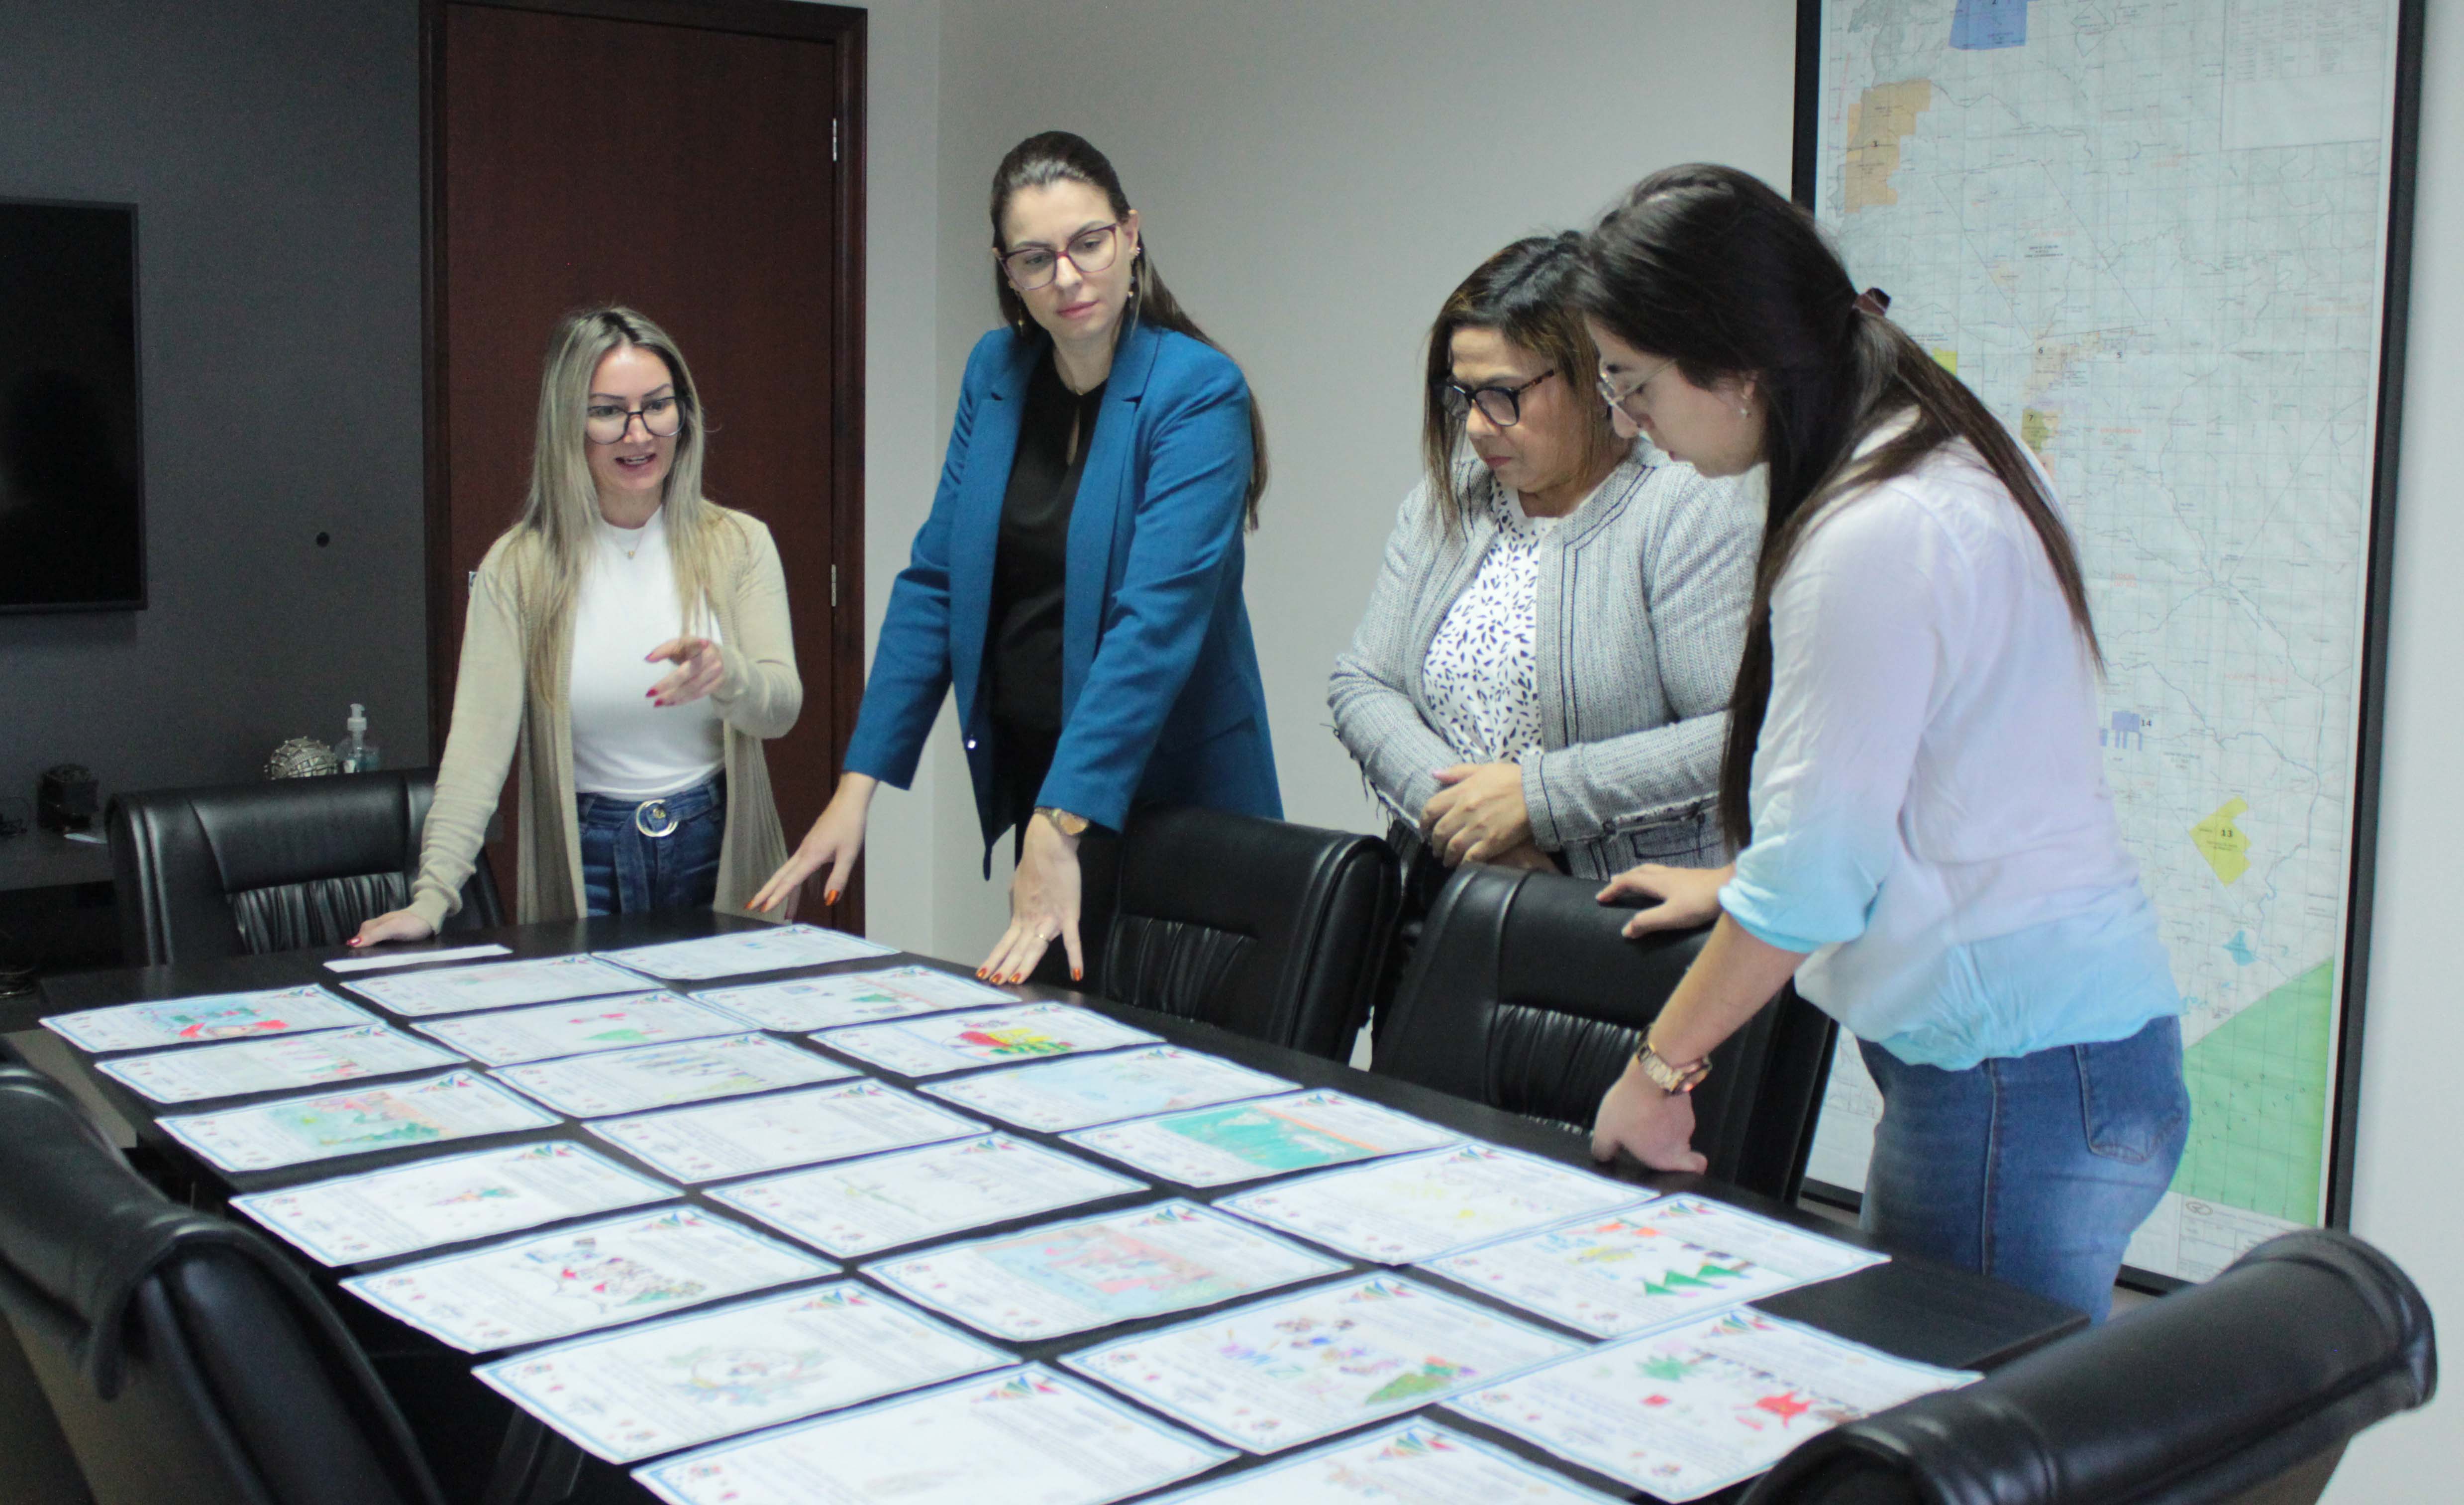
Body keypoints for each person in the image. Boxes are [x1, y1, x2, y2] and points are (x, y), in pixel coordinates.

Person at [1577, 166, 2186, 1320]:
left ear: (1738, 364)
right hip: (2072, 1058)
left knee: (1946, 1455)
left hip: (2013, 1088)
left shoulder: (1872, 532)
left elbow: (1816, 880)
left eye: (1634, 384)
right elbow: (1943, 776)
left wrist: (1654, 1075)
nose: (1625, 422)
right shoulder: (1939, 454)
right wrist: (1736, 881)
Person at [751, 131, 1277, 986]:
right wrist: (859, 784)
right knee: (1050, 1057)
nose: (1066, 277)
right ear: (1007, 271)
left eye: (1088, 244)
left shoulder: (1196, 391)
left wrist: (1060, 819)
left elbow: (1154, 622)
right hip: (1047, 780)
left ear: (1131, 235)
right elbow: (937, 581)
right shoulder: (995, 372)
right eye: (1035, 258)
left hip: (1171, 798)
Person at [353, 306, 800, 944]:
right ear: (568, 423)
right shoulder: (520, 567)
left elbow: (779, 711)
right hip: (589, 856)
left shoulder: (739, 543)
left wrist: (730, 676)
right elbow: (477, 752)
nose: (638, 434)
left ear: (685, 414)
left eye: (657, 406)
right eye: (608, 411)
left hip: (719, 845)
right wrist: (431, 900)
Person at [1329, 234, 1757, 898]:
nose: (1475, 426)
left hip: (1619, 918)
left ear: (1593, 379)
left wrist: (1536, 798)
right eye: (1462, 393)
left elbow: (1733, 735)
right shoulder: (1447, 497)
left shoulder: (1683, 505)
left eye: (1503, 394)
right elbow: (1363, 684)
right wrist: (1468, 827)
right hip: (1444, 898)